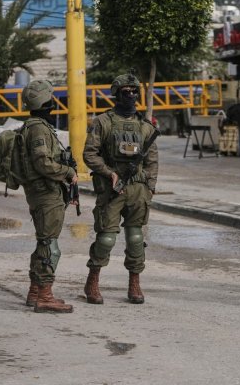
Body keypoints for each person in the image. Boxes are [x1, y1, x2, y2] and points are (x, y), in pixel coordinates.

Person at [83, 73, 158, 305]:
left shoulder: (145, 126)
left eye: (135, 91)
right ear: (117, 94)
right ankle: (92, 281)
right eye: (126, 92)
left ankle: (134, 283)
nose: (131, 95)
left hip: (137, 190)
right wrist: (109, 173)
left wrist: (150, 186)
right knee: (106, 239)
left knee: (136, 238)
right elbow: (89, 154)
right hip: (112, 189)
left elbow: (152, 159)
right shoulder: (103, 122)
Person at [21, 79, 77, 313]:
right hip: (45, 193)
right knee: (50, 246)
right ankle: (45, 295)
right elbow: (42, 162)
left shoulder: (37, 125)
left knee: (44, 242)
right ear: (43, 100)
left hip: (44, 192)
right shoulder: (38, 129)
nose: (53, 101)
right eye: (50, 97)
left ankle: (35, 291)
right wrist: (67, 172)